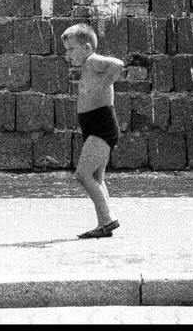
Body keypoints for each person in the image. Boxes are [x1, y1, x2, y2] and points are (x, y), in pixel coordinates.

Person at [61, 23, 125, 239]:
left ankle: (107, 220)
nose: (67, 54)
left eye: (71, 49)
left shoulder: (92, 61)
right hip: (95, 125)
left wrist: (104, 85)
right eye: (66, 50)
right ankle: (104, 222)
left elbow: (117, 64)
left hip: (101, 125)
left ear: (87, 48)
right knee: (96, 176)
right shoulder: (88, 65)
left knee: (83, 174)